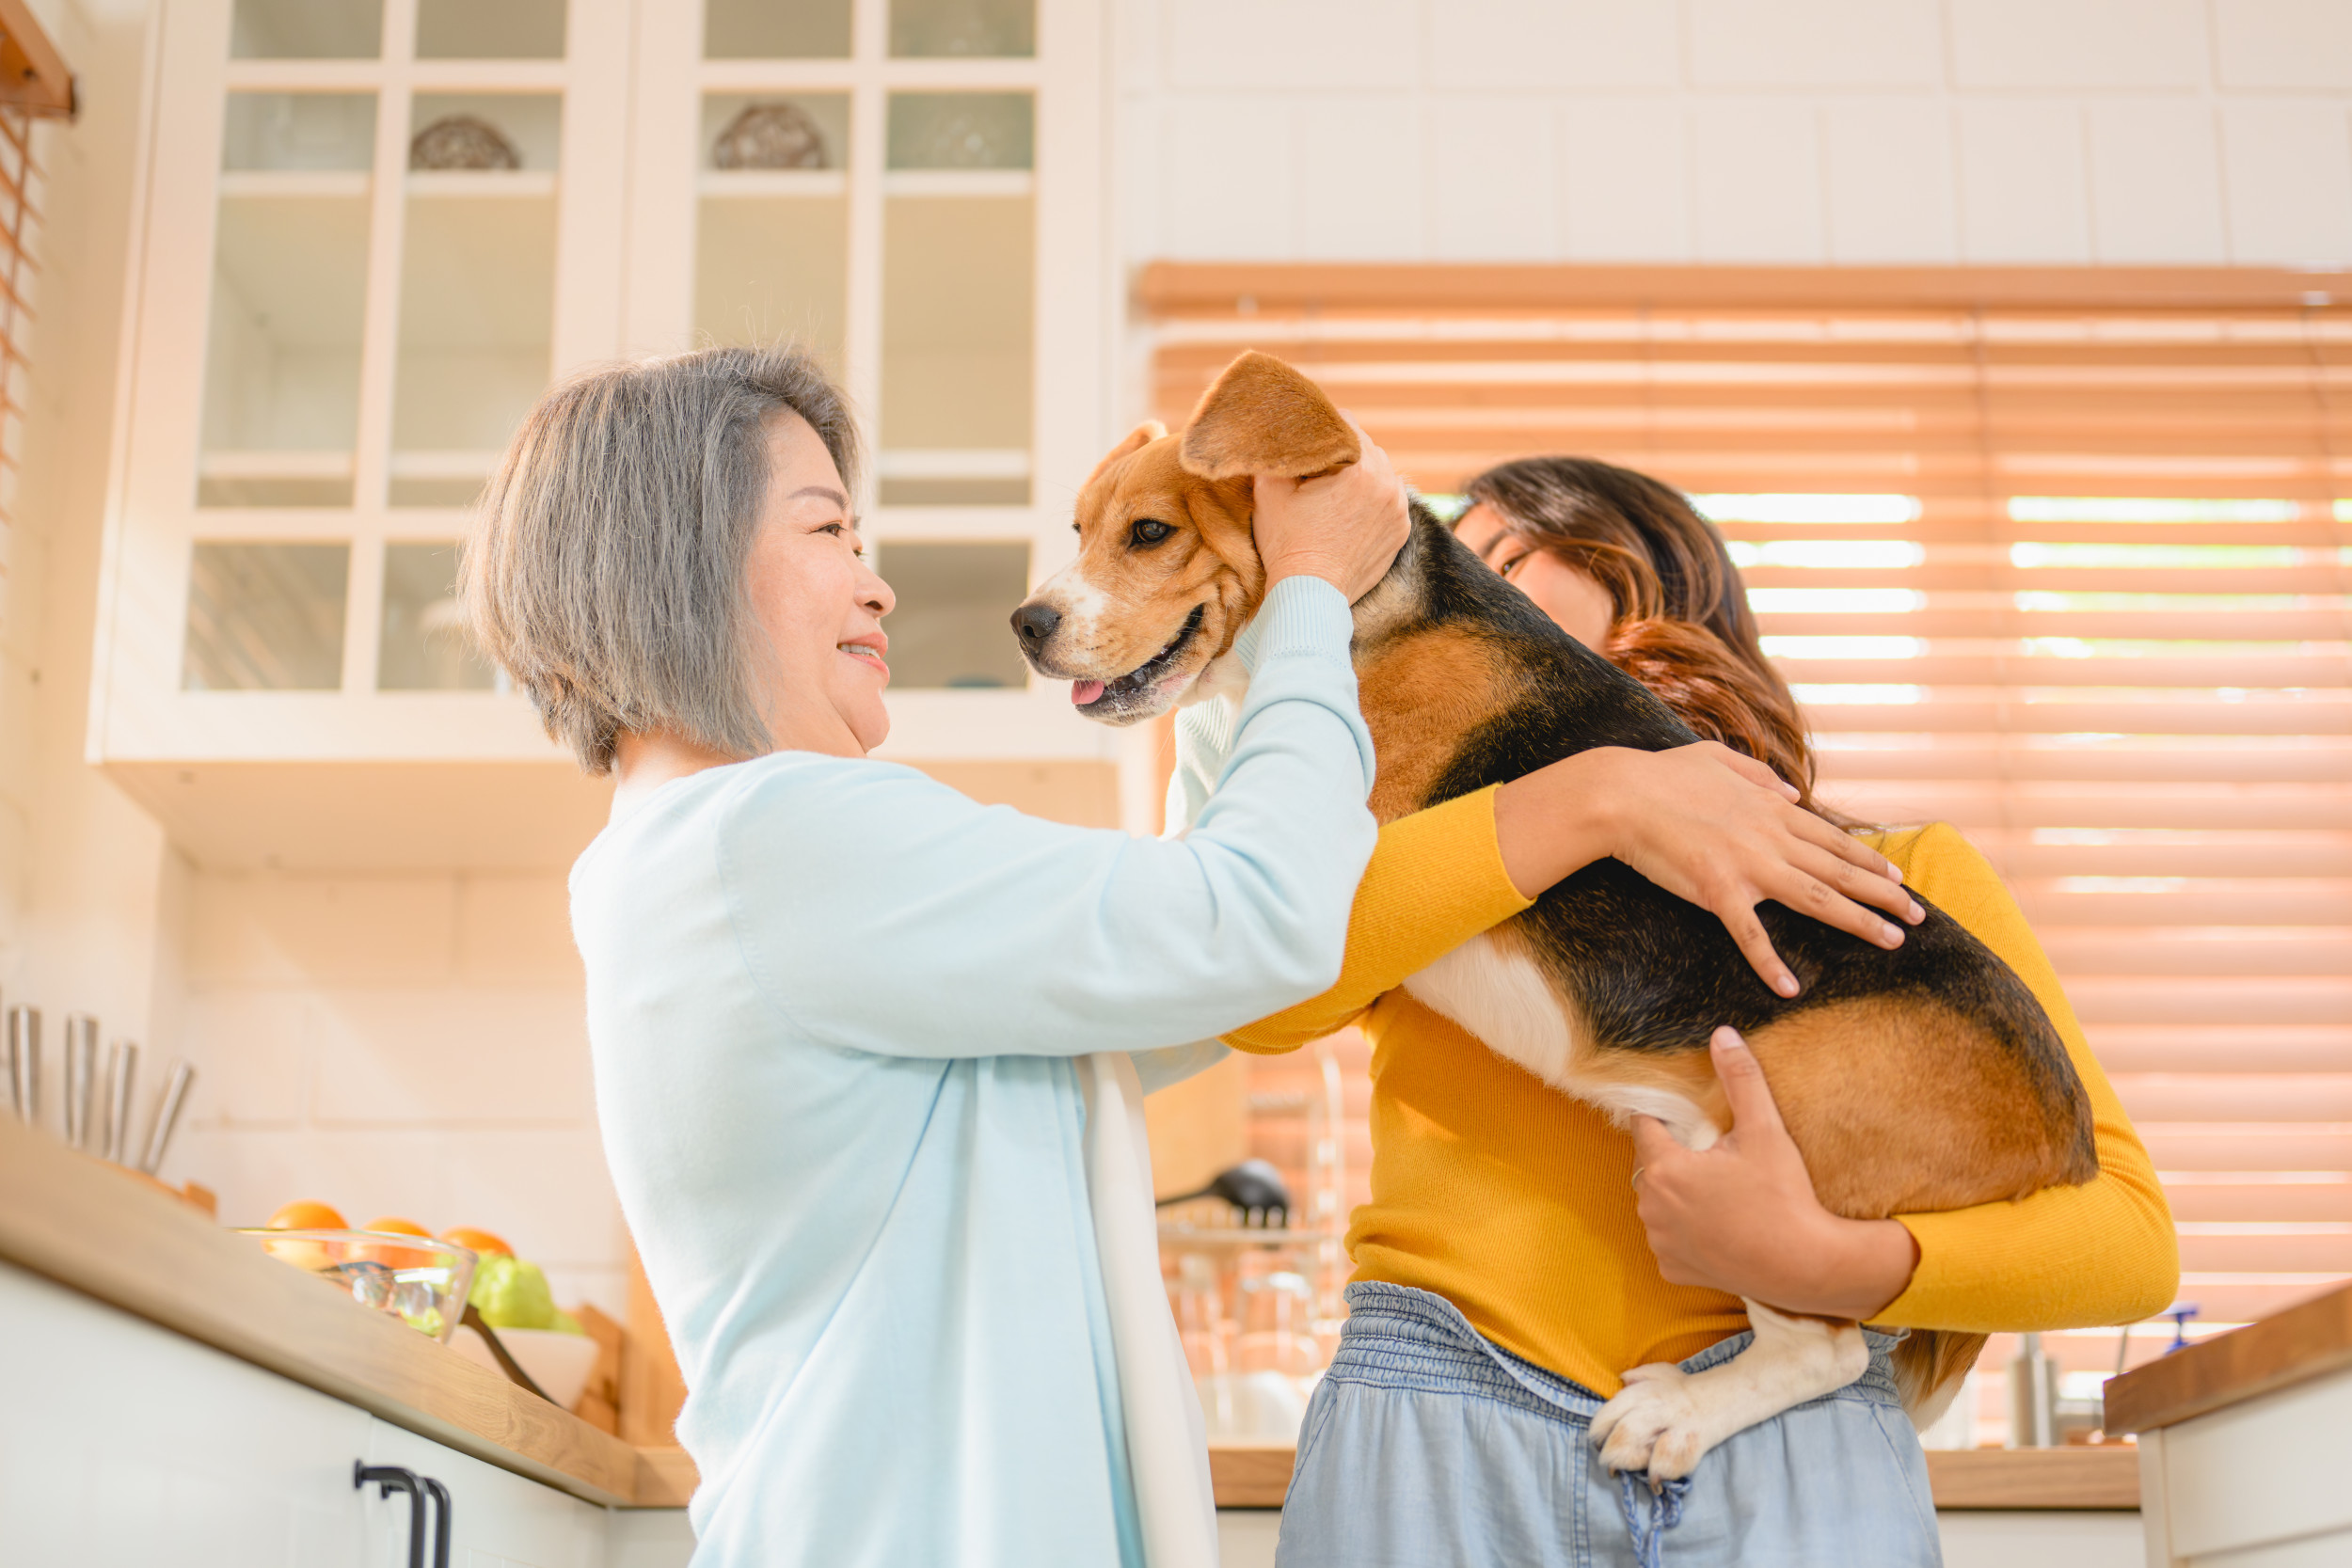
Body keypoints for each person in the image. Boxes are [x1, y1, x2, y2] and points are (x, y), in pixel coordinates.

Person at [464, 344, 1410, 1567]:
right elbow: (1258, 919)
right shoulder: (773, 835)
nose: (878, 587)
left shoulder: (703, 857)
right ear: (679, 559)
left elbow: (1187, 984)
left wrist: (1216, 633)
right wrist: (1310, 599)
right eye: (829, 534)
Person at [1213, 456, 2180, 1568]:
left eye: (1503, 559)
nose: (1445, 595)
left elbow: (2128, 1243)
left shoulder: (1900, 877)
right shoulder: (1422, 875)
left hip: (1786, 1437)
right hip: (1438, 1422)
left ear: (1651, 574)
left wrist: (1832, 1264)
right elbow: (1253, 996)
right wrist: (1595, 796)